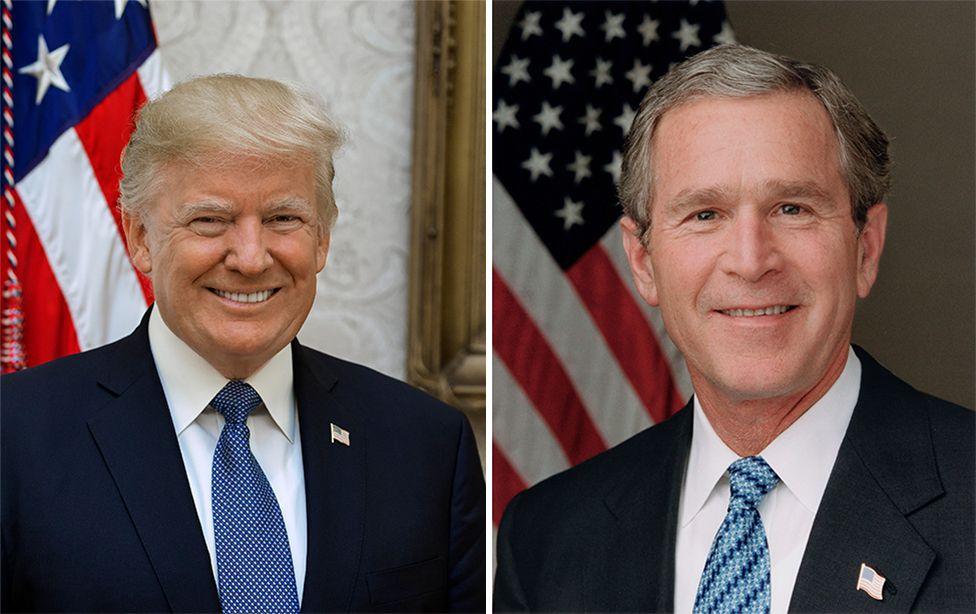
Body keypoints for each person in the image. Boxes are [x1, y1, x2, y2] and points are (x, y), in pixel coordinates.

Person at [494, 44, 973, 613]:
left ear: (865, 247)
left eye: (792, 208)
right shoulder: (547, 537)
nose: (750, 260)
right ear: (643, 262)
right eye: (705, 215)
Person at [1, 75, 485, 613]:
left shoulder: (427, 445)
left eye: (284, 219)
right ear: (140, 237)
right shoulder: (15, 438)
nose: (251, 258)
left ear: (322, 238)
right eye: (210, 221)